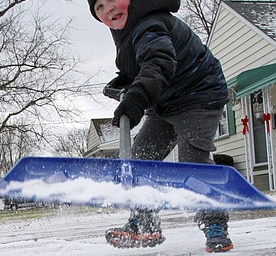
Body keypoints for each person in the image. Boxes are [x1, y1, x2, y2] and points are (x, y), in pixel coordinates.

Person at [87, 0, 233, 253]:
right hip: (165, 101)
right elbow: (145, 61)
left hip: (199, 96)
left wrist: (137, 97)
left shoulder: (150, 23)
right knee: (142, 159)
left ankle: (215, 225)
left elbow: (159, 62)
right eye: (99, 6)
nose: (108, 9)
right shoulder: (127, 29)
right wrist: (127, 80)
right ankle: (145, 225)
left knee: (192, 163)